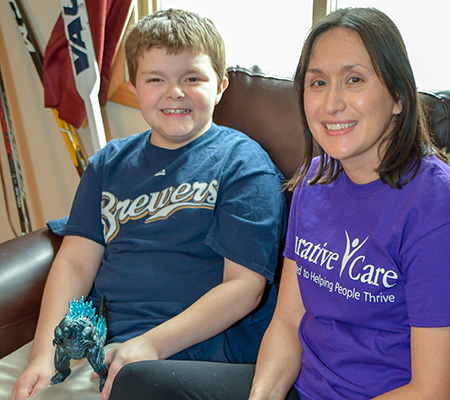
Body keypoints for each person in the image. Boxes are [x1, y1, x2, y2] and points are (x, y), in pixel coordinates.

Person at [1, 8, 286, 400]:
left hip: (191, 355)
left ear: (220, 86)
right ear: (134, 88)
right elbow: (75, 261)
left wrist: (150, 345)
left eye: (192, 78)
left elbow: (244, 287)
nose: (175, 92)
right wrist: (43, 355)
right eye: (156, 79)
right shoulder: (109, 163)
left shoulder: (244, 165)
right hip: (100, 345)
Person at [249, 6, 450, 400]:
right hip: (305, 388)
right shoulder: (315, 175)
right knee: (143, 382)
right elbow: (289, 320)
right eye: (318, 83)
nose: (331, 104)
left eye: (354, 79)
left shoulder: (433, 205)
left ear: (398, 96)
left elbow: (432, 388)